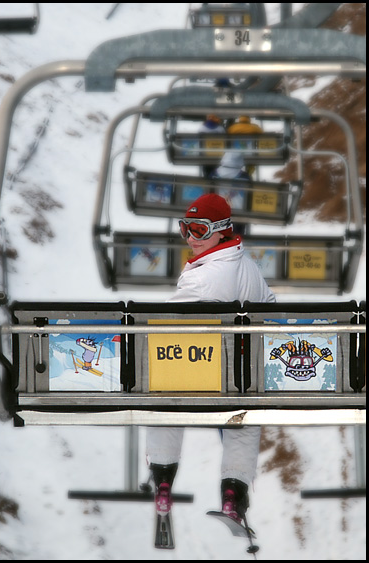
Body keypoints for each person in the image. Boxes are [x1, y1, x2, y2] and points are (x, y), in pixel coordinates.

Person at [146, 193, 276, 533]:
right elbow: (273, 310)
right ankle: (233, 493)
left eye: (199, 229)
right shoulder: (248, 266)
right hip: (241, 377)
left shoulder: (201, 278)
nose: (190, 237)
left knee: (163, 395)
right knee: (244, 418)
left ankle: (162, 478)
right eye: (184, 229)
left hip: (197, 371)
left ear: (221, 230)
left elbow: (169, 327)